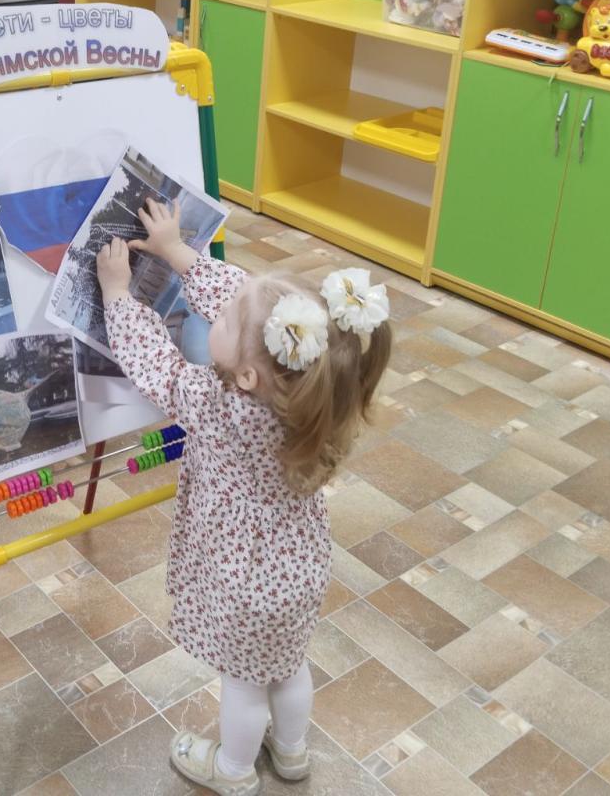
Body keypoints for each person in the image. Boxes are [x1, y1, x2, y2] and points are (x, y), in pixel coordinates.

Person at [95, 199, 392, 795]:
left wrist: (117, 296)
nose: (220, 312)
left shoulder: (221, 407)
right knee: (288, 668)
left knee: (244, 684)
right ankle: (292, 754)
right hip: (298, 572)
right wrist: (178, 252)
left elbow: (158, 366)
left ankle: (232, 771)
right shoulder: (316, 395)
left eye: (226, 321)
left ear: (249, 375)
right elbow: (249, 301)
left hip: (244, 582)